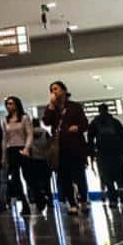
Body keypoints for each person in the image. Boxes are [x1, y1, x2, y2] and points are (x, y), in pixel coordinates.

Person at [42, 81, 90, 215]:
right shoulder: (52, 108)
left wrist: (77, 128)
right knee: (65, 177)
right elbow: (46, 121)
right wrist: (51, 106)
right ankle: (72, 203)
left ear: (63, 90)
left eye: (56, 89)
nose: (54, 92)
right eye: (51, 90)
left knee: (79, 175)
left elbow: (85, 124)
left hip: (75, 145)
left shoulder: (74, 107)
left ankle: (84, 200)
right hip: (60, 148)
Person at [89, 104, 123, 209]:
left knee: (107, 177)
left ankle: (113, 200)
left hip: (102, 154)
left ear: (99, 111)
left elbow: (90, 140)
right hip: (117, 153)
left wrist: (92, 154)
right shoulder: (115, 122)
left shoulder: (95, 123)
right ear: (108, 110)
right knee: (121, 176)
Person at [2, 96, 33, 217]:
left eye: (11, 103)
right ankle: (24, 203)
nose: (9, 106)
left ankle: (37, 197)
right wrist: (3, 156)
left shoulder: (24, 118)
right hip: (11, 150)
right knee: (15, 177)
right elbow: (4, 139)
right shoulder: (5, 120)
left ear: (16, 104)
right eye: (7, 104)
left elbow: (29, 134)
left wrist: (26, 148)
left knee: (27, 176)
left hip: (23, 148)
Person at [28, 117, 54, 211]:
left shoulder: (29, 135)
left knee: (36, 183)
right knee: (47, 183)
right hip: (44, 161)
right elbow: (50, 146)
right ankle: (50, 201)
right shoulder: (45, 132)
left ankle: (40, 202)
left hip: (34, 162)